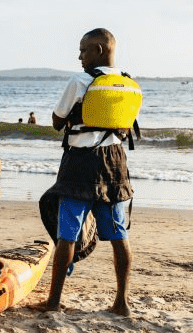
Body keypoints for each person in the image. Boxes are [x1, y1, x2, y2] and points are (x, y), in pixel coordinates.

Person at [41, 28, 138, 316]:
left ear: (98, 49)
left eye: (83, 50)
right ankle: (122, 302)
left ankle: (54, 303)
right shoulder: (128, 84)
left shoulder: (81, 80)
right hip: (115, 163)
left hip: (81, 163)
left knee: (67, 235)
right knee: (120, 236)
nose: (80, 56)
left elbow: (58, 121)